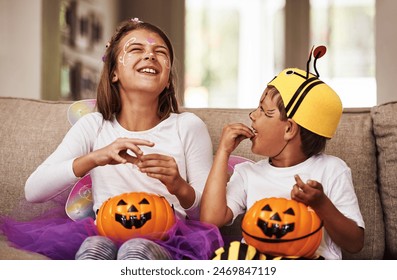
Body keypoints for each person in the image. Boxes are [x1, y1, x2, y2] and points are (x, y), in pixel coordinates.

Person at [3, 18, 222, 260]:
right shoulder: (93, 126)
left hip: (168, 241)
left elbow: (208, 215)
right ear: (114, 72)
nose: (150, 55)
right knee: (94, 246)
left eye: (160, 52)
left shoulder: (187, 127)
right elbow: (34, 190)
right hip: (103, 233)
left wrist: (179, 185)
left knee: (136, 248)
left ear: (168, 78)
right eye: (137, 49)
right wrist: (95, 158)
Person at [200, 48, 365, 260]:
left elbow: (355, 243)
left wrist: (320, 204)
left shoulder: (332, 169)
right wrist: (223, 151)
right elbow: (210, 219)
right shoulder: (247, 173)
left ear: (289, 129)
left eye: (264, 111)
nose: (252, 116)